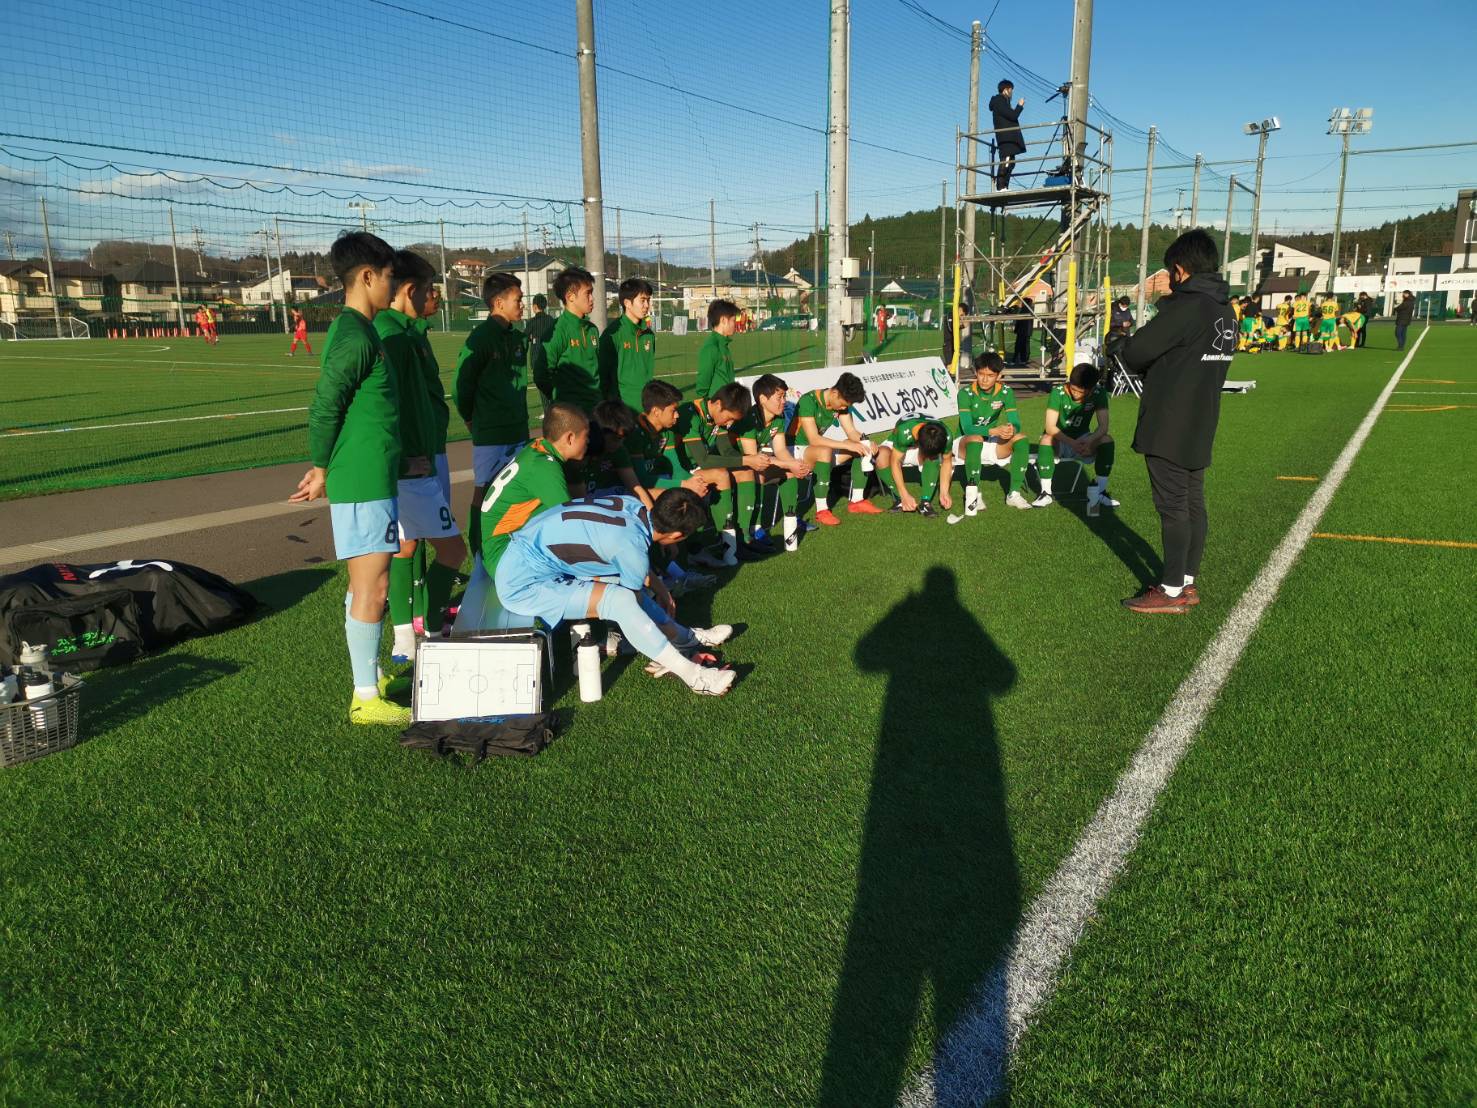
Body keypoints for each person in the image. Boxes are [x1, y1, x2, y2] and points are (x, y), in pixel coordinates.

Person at [288, 230, 404, 724]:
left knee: (367, 585)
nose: (393, 285)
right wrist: (321, 467)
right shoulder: (355, 335)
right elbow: (325, 405)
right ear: (368, 276)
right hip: (362, 479)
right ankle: (365, 697)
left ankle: (370, 676)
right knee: (372, 588)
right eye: (390, 276)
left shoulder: (361, 329)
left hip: (370, 475)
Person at [493, 488, 737, 696]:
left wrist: (662, 590)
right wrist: (663, 630)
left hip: (525, 560)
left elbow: (627, 555)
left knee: (623, 591)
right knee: (621, 601)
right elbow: (632, 593)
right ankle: (694, 676)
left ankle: (684, 638)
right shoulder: (631, 548)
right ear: (676, 535)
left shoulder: (631, 505)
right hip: (524, 585)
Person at [1120, 228, 1233, 614]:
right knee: (1193, 502)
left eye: (1170, 272)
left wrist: (1120, 345)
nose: (1169, 280)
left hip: (1169, 420)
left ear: (1181, 270)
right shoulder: (1224, 310)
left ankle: (1169, 591)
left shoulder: (1188, 306)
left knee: (1173, 506)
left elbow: (1137, 351)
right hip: (1202, 418)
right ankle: (1186, 581)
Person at [375, 251, 466, 666]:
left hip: (421, 457)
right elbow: (380, 407)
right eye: (428, 289)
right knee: (451, 551)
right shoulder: (392, 335)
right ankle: (427, 632)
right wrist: (402, 460)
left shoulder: (408, 332)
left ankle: (407, 639)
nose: (434, 297)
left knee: (407, 546)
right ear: (410, 289)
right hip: (413, 465)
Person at [454, 272, 530, 559]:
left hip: (518, 430)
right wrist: (470, 419)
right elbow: (461, 386)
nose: (522, 304)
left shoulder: (518, 337)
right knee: (484, 492)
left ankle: (512, 549)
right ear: (498, 302)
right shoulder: (480, 338)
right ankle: (478, 552)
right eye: (517, 300)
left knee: (518, 493)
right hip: (490, 434)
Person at [731, 373, 812, 553]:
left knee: (789, 472)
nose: (784, 401)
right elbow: (752, 457)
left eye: (784, 396)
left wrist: (795, 464)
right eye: (779, 397)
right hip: (736, 464)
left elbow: (781, 450)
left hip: (754, 462)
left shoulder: (779, 417)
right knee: (758, 472)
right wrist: (789, 464)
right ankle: (755, 528)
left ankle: (791, 518)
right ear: (762, 399)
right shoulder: (749, 418)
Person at [788, 372, 880, 524]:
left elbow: (851, 432)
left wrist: (866, 442)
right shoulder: (808, 401)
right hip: (794, 450)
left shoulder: (840, 404)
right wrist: (845, 444)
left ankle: (857, 501)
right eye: (843, 404)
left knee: (861, 448)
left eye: (847, 406)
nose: (844, 408)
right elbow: (814, 439)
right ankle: (822, 510)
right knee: (825, 451)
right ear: (835, 393)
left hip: (815, 451)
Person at [954, 351, 1033, 514]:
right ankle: (974, 494)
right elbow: (967, 428)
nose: (984, 379)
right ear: (976, 372)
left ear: (999, 375)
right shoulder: (965, 393)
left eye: (990, 375)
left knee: (1021, 438)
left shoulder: (1006, 392)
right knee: (975, 439)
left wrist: (1011, 429)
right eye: (981, 374)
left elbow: (1016, 422)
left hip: (989, 440)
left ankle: (1014, 494)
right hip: (964, 442)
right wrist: (994, 430)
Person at [1032, 363, 1116, 514]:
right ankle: (1046, 493)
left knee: (1106, 440)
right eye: (1073, 388)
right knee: (1046, 438)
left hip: (1083, 439)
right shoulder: (1058, 392)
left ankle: (1100, 492)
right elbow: (1050, 427)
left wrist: (1089, 441)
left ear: (1091, 389)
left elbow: (1103, 427)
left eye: (1080, 391)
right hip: (1060, 439)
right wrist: (1072, 443)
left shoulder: (1099, 393)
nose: (1075, 394)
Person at [542, 266, 601, 412]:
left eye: (592, 293)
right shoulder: (557, 331)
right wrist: (561, 399)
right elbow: (541, 374)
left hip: (596, 410)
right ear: (570, 297)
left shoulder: (592, 329)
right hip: (571, 414)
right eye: (588, 293)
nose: (592, 298)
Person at [876, 417, 953, 517]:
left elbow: (947, 461)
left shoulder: (946, 434)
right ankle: (900, 499)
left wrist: (944, 492)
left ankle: (925, 502)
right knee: (880, 456)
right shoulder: (904, 431)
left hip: (919, 445)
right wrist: (904, 495)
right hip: (898, 446)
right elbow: (895, 462)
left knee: (933, 457)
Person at [599, 277, 655, 411]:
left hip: (646, 407)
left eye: (648, 300)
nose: (647, 305)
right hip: (621, 411)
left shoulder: (649, 335)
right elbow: (602, 377)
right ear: (627, 303)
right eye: (642, 300)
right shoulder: (612, 334)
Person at [694, 299, 740, 398]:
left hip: (728, 401)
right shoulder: (711, 348)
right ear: (723, 320)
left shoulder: (723, 345)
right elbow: (703, 384)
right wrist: (708, 402)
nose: (735, 324)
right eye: (733, 320)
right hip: (717, 403)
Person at [987, 80, 1026, 191]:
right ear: (1005, 90)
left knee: (1011, 162)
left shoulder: (1003, 102)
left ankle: (1005, 186)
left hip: (1008, 137)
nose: (1011, 92)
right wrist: (1019, 106)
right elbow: (1013, 116)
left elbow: (1010, 116)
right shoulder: (999, 101)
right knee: (1006, 160)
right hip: (1006, 137)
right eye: (1010, 90)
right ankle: (1000, 187)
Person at [525, 292, 557, 409]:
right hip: (552, 357)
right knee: (553, 387)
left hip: (536, 358)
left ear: (535, 306)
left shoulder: (532, 322)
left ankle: (548, 412)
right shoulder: (551, 320)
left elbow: (524, 337)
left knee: (542, 389)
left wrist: (532, 338)